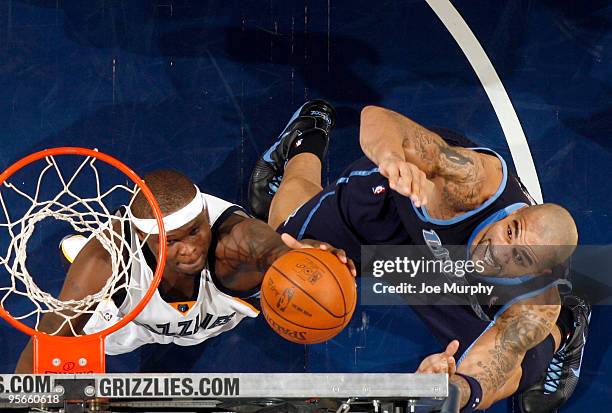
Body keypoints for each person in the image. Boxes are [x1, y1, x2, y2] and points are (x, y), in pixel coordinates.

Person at [248, 101, 591, 413]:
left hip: (448, 278)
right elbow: (376, 118)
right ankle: (304, 142)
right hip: (397, 208)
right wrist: (393, 158)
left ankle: (568, 324)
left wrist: (449, 390)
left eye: (521, 258)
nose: (498, 251)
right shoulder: (467, 182)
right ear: (509, 216)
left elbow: (493, 365)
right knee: (285, 245)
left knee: (526, 358)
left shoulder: (535, 301)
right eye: (511, 232)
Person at [15, 169, 355, 373]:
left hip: (213, 312)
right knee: (83, 330)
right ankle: (83, 270)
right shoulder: (104, 262)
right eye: (172, 241)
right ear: (143, 237)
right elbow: (40, 356)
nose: (190, 248)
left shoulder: (236, 244)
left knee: (291, 222)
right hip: (129, 322)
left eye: (195, 231)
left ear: (205, 218)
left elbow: (278, 251)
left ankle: (303, 139)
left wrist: (309, 255)